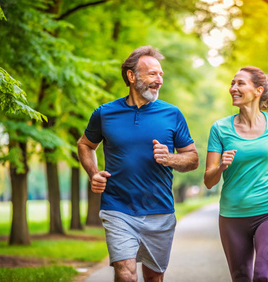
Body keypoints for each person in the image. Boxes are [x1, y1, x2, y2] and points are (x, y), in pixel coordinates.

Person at [78, 46, 199, 282]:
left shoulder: (172, 114)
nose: (159, 80)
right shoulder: (105, 113)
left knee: (154, 277)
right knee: (125, 274)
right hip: (117, 207)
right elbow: (85, 144)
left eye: (161, 74)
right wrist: (93, 172)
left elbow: (193, 159)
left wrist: (170, 158)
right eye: (152, 74)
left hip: (159, 210)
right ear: (132, 76)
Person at [204, 66, 268, 282]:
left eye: (240, 83)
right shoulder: (220, 129)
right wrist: (222, 167)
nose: (233, 88)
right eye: (232, 83)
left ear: (258, 90)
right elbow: (208, 180)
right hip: (233, 216)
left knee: (262, 276)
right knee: (241, 277)